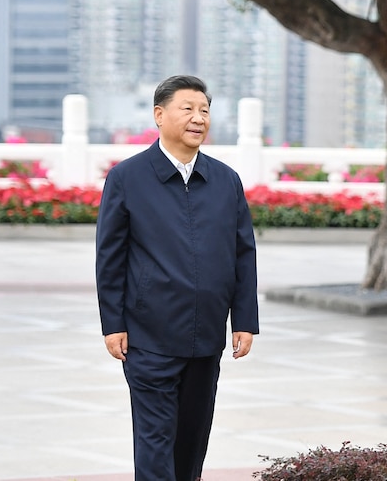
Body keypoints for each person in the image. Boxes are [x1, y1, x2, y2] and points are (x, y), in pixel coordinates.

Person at [96, 75, 259, 481]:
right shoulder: (127, 178)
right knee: (154, 440)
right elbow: (110, 257)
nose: (198, 118)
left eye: (204, 110)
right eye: (187, 108)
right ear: (159, 115)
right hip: (149, 335)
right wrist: (112, 323)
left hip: (206, 337)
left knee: (191, 441)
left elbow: (243, 253)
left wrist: (244, 319)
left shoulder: (225, 180)